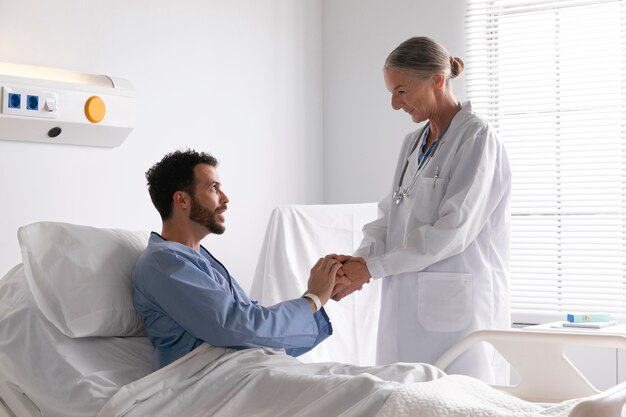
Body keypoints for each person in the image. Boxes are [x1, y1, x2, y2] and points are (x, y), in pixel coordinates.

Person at [331, 36, 511, 383]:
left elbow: (453, 230)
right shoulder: (412, 143)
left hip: (457, 312)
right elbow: (389, 216)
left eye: (402, 91)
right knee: (402, 397)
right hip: (404, 303)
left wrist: (372, 268)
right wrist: (358, 262)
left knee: (457, 398)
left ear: (437, 80)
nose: (395, 105)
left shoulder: (477, 138)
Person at [132, 149, 347, 368]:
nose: (225, 198)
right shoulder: (163, 262)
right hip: (203, 378)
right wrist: (313, 299)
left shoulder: (198, 260)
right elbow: (239, 327)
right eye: (214, 188)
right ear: (182, 200)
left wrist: (320, 295)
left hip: (237, 370)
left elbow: (254, 334)